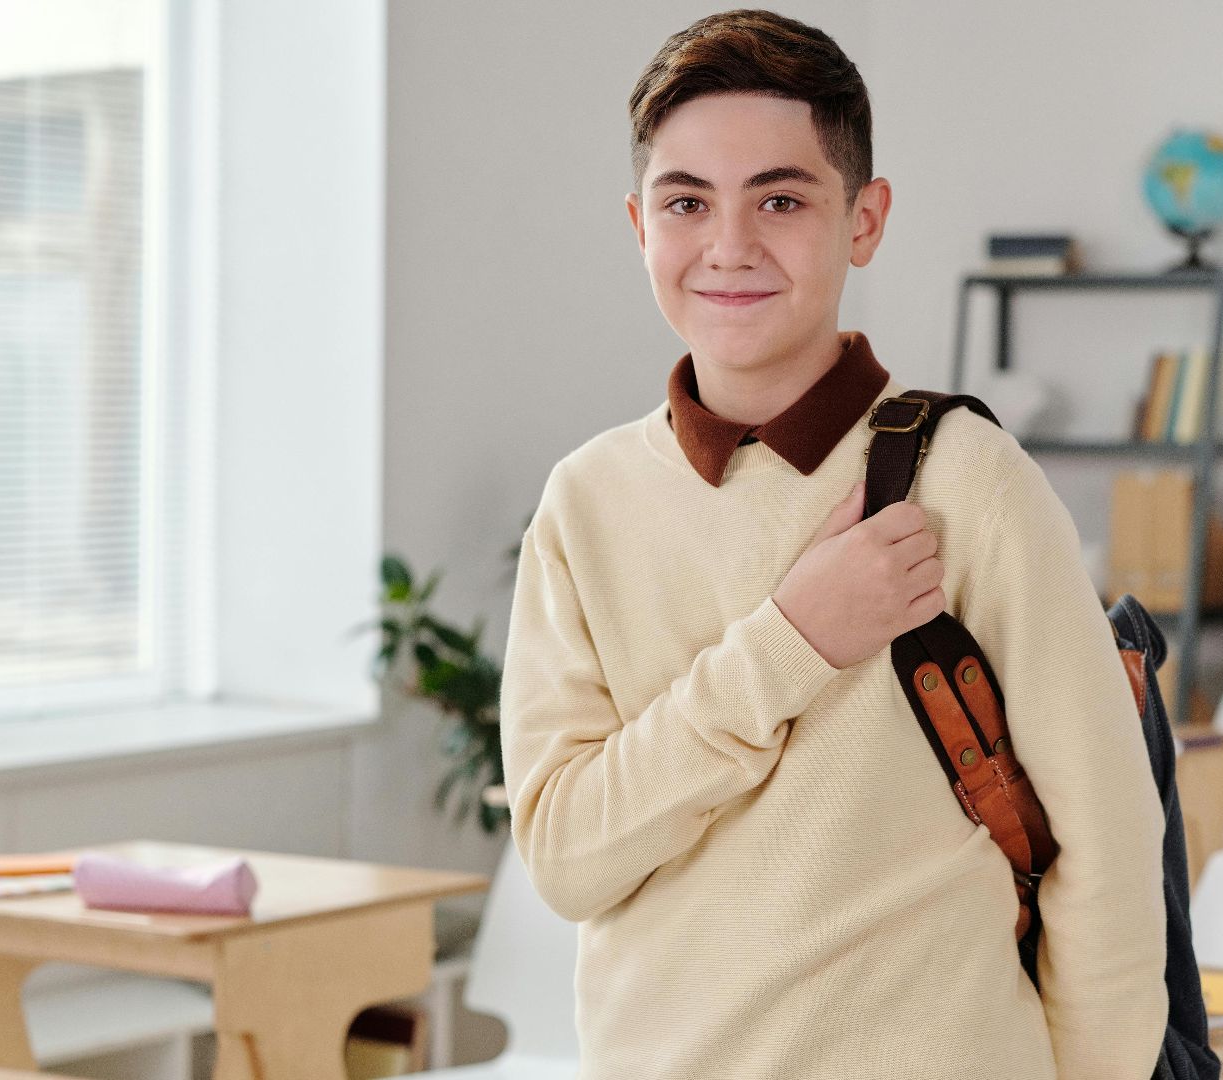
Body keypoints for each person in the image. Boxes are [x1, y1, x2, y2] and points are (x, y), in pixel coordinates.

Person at [497, 10, 1166, 1078]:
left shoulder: (971, 482)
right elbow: (569, 858)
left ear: (864, 219)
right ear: (638, 226)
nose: (728, 246)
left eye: (781, 198)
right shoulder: (585, 503)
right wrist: (791, 643)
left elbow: (1109, 845)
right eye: (686, 202)